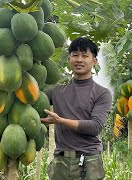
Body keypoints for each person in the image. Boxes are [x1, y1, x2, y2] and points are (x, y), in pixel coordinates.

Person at [41, 37, 112, 180]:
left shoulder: (102, 93)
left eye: (85, 56)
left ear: (94, 61)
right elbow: (35, 102)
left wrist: (61, 121)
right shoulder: (56, 90)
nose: (79, 59)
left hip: (89, 161)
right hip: (61, 161)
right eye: (75, 55)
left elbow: (95, 126)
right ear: (69, 59)